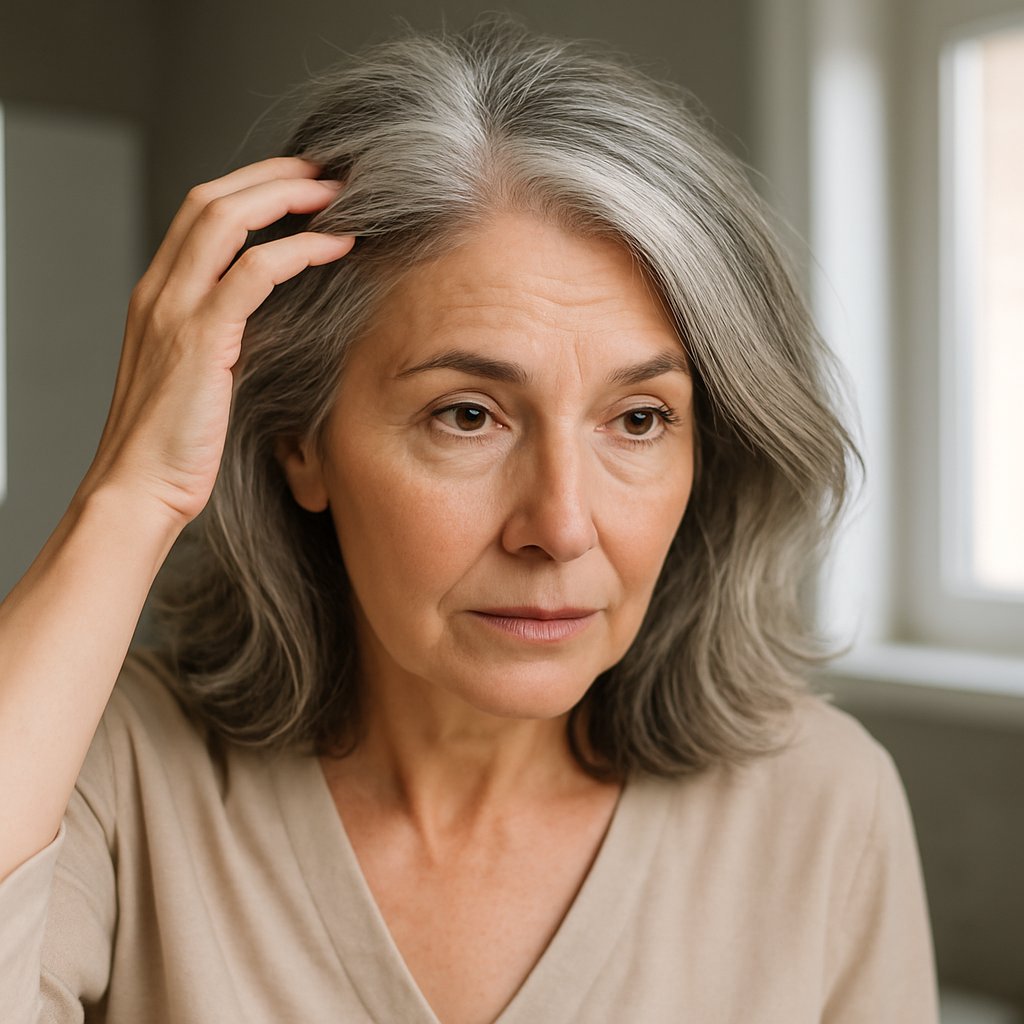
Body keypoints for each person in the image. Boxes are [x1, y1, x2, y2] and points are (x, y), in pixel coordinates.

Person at [0, 16, 938, 1024]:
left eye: (637, 418)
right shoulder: (111, 765)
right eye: (467, 415)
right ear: (299, 442)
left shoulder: (824, 803)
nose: (561, 525)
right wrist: (130, 495)